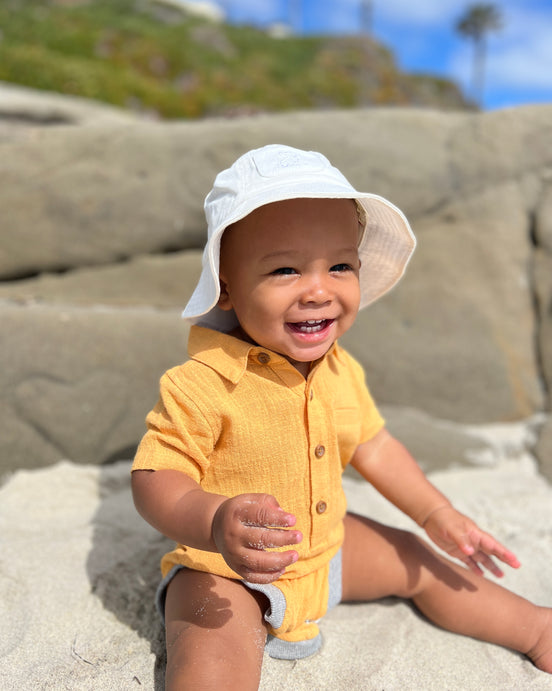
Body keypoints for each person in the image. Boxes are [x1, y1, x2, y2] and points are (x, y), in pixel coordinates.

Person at [131, 144, 551, 690]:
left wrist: (435, 512)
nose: (319, 290)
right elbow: (155, 478)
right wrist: (212, 520)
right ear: (226, 286)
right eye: (285, 268)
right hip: (231, 567)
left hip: (327, 546)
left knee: (413, 558)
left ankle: (538, 629)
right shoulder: (204, 381)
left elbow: (374, 446)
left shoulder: (339, 370)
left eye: (339, 266)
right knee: (213, 641)